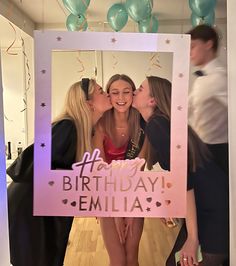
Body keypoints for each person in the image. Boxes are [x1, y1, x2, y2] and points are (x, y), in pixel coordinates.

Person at [7, 78, 112, 266]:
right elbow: (39, 169)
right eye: (100, 91)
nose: (106, 93)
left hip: (39, 205)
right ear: (88, 103)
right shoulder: (67, 127)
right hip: (28, 206)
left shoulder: (83, 130)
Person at [132, 76, 229, 266]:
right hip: (212, 204)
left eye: (140, 88)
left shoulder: (157, 124)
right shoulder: (157, 123)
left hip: (212, 212)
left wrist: (193, 238)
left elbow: (184, 178)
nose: (135, 90)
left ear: (153, 100)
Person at [93, 74, 145, 266]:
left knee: (131, 258)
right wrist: (115, 212)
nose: (121, 97)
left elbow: (141, 165)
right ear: (108, 95)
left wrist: (130, 211)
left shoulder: (142, 122)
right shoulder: (100, 123)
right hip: (107, 195)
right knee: (117, 259)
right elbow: (101, 168)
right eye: (115, 93)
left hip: (134, 193)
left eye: (126, 92)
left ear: (133, 94)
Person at [188, 24, 228, 176]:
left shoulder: (220, 78)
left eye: (192, 46)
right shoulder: (202, 79)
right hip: (200, 150)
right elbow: (189, 108)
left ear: (208, 44)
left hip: (216, 153)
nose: (189, 52)